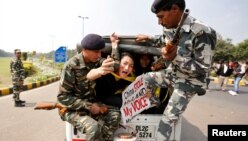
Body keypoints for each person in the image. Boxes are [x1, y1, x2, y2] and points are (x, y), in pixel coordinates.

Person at [136, 0, 217, 140]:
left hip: (189, 82)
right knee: (142, 80)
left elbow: (202, 69)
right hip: (172, 74)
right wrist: (149, 37)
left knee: (165, 124)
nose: (159, 22)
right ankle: (155, 104)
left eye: (161, 17)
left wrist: (175, 57)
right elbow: (165, 39)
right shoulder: (169, 25)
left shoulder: (202, 32)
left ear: (174, 9)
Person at [57, 33, 121, 141]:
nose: (99, 55)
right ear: (85, 49)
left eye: (101, 51)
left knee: (115, 116)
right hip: (71, 109)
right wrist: (89, 106)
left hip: (91, 105)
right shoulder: (71, 66)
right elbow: (62, 97)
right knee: (93, 128)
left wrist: (114, 45)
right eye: (96, 52)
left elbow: (114, 65)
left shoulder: (96, 61)